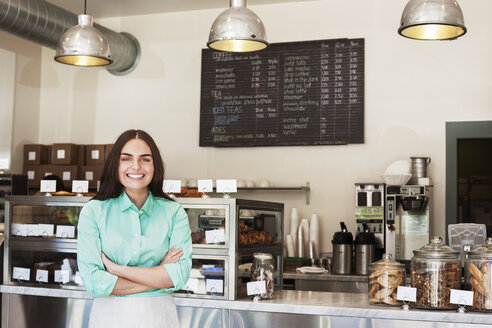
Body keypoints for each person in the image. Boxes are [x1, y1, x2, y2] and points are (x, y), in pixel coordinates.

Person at [77, 129, 192, 327]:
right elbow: (95, 282)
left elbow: (179, 276)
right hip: (110, 317)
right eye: (126, 158)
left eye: (145, 159)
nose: (136, 166)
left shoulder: (174, 213)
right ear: (115, 164)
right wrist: (159, 274)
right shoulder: (93, 212)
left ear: (155, 165)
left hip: (160, 317)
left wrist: (117, 270)